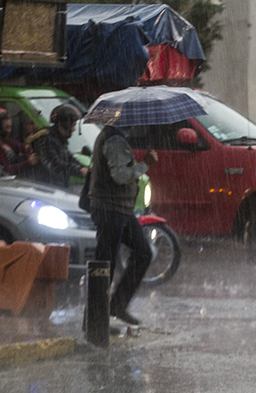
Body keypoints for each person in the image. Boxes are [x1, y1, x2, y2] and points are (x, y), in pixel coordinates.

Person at [88, 123, 159, 326]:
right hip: (110, 208)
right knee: (105, 265)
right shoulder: (115, 140)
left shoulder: (118, 138)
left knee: (143, 252)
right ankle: (94, 322)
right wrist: (145, 164)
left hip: (121, 209)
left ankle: (117, 305)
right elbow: (119, 177)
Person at [27, 104, 89, 189]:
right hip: (45, 188)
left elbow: (69, 158)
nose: (74, 129)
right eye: (73, 125)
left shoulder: (59, 139)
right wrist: (78, 171)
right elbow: (53, 163)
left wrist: (85, 168)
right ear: (66, 124)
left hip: (58, 186)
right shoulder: (46, 138)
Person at [0, 107, 39, 175]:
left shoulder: (4, 140)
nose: (9, 131)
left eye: (10, 127)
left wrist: (27, 148)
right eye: (6, 127)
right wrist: (28, 163)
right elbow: (3, 170)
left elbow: (17, 145)